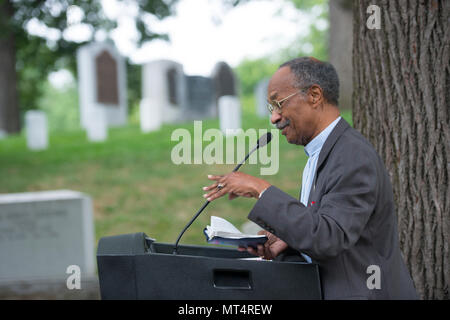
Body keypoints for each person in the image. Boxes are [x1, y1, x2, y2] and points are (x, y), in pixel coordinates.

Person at [202, 57, 418, 300]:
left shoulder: (351, 155)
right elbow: (330, 227)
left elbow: (328, 238)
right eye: (271, 107)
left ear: (314, 95)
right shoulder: (322, 152)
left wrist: (259, 188)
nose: (274, 117)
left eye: (279, 103)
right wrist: (287, 238)